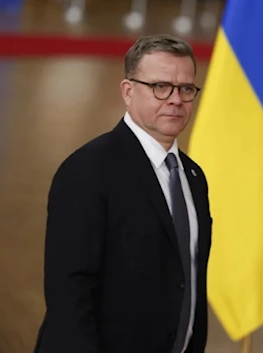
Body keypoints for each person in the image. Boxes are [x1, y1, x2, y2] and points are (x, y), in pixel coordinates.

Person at [33, 34, 212, 353]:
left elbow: (189, 282)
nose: (175, 99)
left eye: (186, 88)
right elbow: (68, 295)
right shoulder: (88, 170)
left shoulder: (194, 177)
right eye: (160, 86)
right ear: (128, 92)